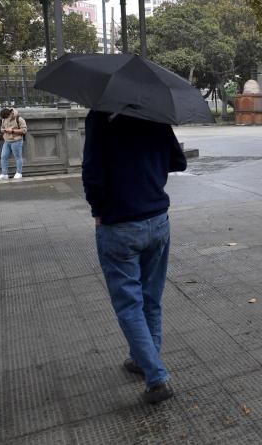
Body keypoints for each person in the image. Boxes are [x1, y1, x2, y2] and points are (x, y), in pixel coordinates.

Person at [82, 110, 187, 404]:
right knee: (150, 300)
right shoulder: (154, 115)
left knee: (129, 304)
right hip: (157, 220)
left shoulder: (100, 117)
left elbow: (92, 172)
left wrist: (98, 210)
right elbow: (178, 161)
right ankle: (144, 360)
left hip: (119, 225)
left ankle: (156, 378)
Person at [0, 108, 27, 181]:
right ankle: (4, 174)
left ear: (9, 114)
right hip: (7, 140)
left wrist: (12, 131)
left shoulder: (19, 118)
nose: (5, 119)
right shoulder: (4, 119)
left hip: (17, 141)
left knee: (18, 157)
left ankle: (19, 173)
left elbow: (24, 130)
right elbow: (2, 128)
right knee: (3, 157)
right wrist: (4, 130)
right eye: (4, 118)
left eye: (6, 117)